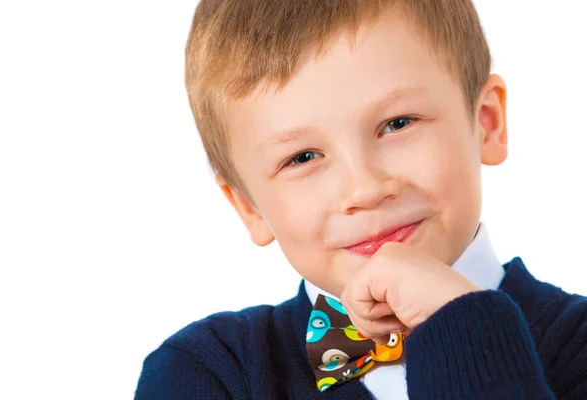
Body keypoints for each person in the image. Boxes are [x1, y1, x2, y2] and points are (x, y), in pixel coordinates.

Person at [134, 0, 587, 398]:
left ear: (486, 123)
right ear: (249, 208)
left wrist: (464, 327)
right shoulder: (207, 372)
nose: (365, 189)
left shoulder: (577, 347)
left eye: (398, 124)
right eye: (303, 157)